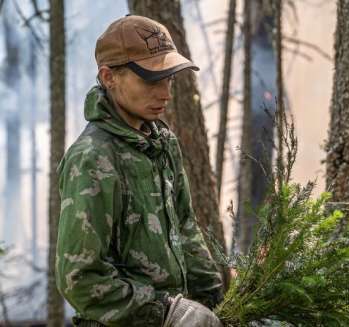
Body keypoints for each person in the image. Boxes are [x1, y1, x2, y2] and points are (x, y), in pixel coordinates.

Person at [55, 15, 223, 327]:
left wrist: (215, 302)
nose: (166, 94)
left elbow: (186, 227)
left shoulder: (163, 143)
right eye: (150, 81)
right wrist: (164, 312)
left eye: (169, 79)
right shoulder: (93, 158)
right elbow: (79, 278)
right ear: (109, 77)